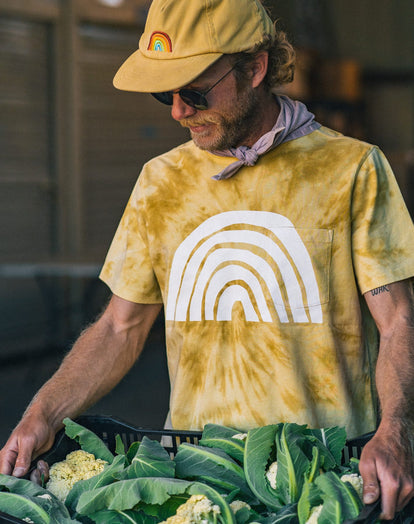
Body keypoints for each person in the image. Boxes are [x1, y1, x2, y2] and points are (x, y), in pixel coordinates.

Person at [1, 0, 413, 519]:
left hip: (326, 478)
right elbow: (119, 329)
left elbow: (397, 319)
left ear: (255, 67)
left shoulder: (353, 170)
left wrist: (395, 431)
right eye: (164, 94)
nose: (178, 111)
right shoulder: (159, 182)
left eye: (195, 91)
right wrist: (43, 411)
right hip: (197, 475)